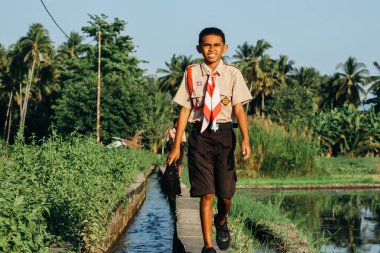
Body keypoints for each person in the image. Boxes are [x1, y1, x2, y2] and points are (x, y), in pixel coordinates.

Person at [167, 27, 252, 253]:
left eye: (216, 45)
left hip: (225, 135)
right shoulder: (191, 73)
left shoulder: (233, 74)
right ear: (199, 48)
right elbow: (184, 110)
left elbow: (239, 109)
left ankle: (221, 221)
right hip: (199, 136)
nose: (211, 49)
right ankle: (207, 246)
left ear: (224, 48)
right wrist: (176, 146)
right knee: (207, 193)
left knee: (225, 196)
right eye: (207, 45)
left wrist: (245, 139)